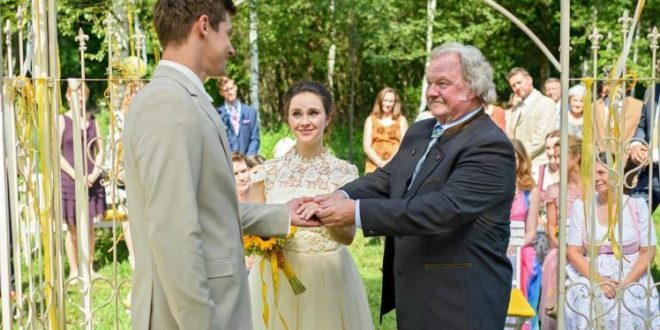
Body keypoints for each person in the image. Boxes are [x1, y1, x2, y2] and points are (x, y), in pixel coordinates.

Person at [122, 2, 317, 329]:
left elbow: (207, 208)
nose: (232, 47)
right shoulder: (167, 102)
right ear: (203, 27)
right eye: (228, 33)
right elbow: (173, 233)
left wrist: (282, 214)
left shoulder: (187, 99)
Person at [312, 42, 515, 329]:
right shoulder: (421, 130)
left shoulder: (489, 144)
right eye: (430, 83)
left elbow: (443, 209)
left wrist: (356, 212)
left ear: (473, 88)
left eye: (443, 83)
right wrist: (338, 195)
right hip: (417, 294)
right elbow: (387, 177)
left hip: (460, 300)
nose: (431, 92)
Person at [248, 81, 373, 330]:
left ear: (328, 118)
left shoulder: (345, 172)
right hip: (278, 276)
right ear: (288, 119)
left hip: (328, 277)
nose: (305, 121)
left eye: (313, 113)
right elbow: (251, 225)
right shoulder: (267, 172)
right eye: (297, 114)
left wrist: (326, 215)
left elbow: (347, 237)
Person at [564, 152, 659, 329]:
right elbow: (573, 252)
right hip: (592, 273)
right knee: (588, 299)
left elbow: (648, 251)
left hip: (631, 273)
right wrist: (599, 280)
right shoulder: (581, 207)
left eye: (601, 173)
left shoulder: (637, 206)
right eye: (592, 174)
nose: (596, 178)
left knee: (630, 301)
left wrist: (626, 282)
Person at [59, 83, 106, 281]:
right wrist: (76, 175)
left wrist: (94, 174)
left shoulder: (93, 121)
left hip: (91, 180)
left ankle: (89, 268)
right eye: (76, 94)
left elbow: (102, 149)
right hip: (70, 180)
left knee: (89, 227)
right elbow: (57, 153)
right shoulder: (61, 120)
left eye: (83, 94)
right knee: (72, 227)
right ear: (68, 96)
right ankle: (74, 271)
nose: (80, 98)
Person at [538, 135, 582, 329]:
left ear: (577, 157)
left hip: (589, 246)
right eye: (554, 157)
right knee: (555, 260)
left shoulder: (591, 189)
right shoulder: (554, 190)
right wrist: (563, 247)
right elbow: (551, 227)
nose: (555, 162)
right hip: (562, 249)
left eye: (560, 156)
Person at [506, 67, 558, 169]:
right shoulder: (516, 108)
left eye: (519, 82)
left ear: (529, 80)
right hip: (519, 165)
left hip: (538, 164)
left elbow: (541, 139)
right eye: (513, 85)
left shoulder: (546, 104)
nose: (517, 87)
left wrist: (517, 156)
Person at [508, 140, 539, 302]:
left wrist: (517, 246)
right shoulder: (491, 187)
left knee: (524, 257)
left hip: (521, 245)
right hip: (497, 244)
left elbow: (532, 231)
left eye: (515, 158)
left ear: (522, 160)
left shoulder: (531, 191)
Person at [628, 82, 660, 212]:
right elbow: (642, 125)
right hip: (647, 173)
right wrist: (636, 144)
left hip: (651, 159)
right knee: (631, 219)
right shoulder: (652, 90)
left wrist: (654, 155)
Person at [362, 87, 408, 173]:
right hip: (374, 166)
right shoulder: (370, 120)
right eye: (385, 100)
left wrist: (390, 162)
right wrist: (380, 163)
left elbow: (404, 145)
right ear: (380, 101)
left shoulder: (401, 120)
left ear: (395, 103)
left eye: (391, 101)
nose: (387, 104)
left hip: (395, 165)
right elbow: (366, 147)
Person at [216, 76, 260, 155]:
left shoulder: (250, 112)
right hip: (228, 163)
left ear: (236, 87)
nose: (230, 92)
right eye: (226, 90)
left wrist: (247, 160)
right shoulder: (217, 114)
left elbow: (255, 139)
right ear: (221, 93)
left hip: (248, 162)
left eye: (231, 88)